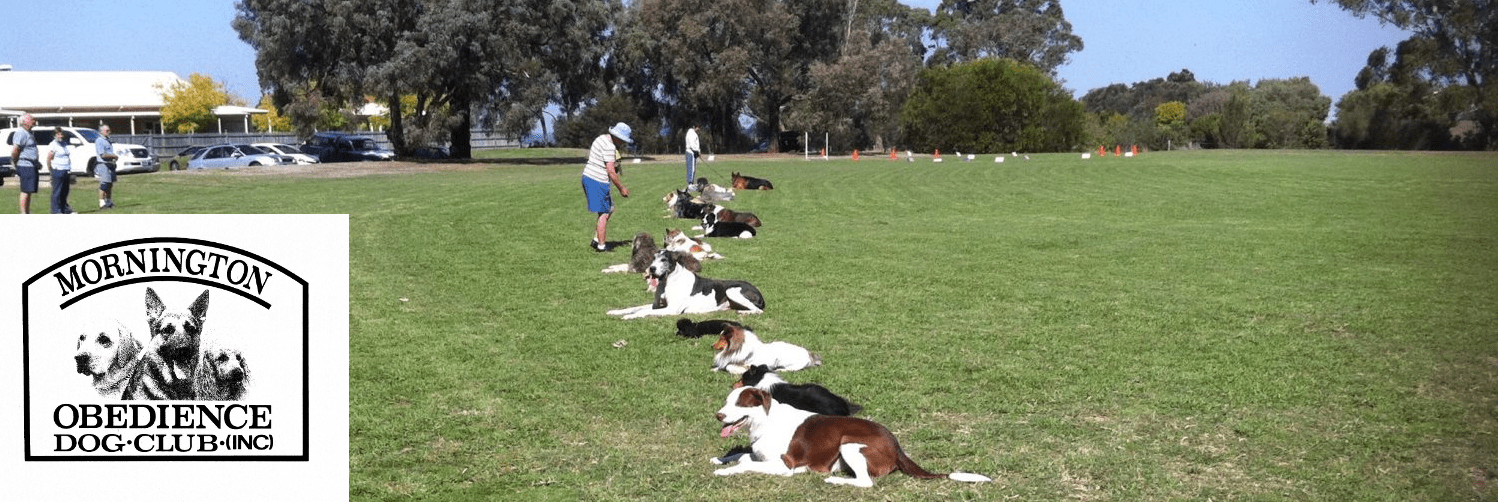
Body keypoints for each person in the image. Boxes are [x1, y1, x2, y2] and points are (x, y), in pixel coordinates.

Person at [581, 122, 633, 251]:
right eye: (622, 140)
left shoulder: (600, 138)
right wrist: (622, 188)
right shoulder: (610, 147)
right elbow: (610, 171)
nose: (622, 143)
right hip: (597, 180)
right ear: (617, 137)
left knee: (609, 208)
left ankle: (596, 239)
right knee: (604, 212)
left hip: (588, 177)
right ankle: (601, 246)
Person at [9, 114, 41, 214]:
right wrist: (15, 162)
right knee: (25, 191)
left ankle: (27, 212)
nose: (34, 120)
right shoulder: (20, 133)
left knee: (29, 191)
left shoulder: (29, 133)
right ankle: (24, 214)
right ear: (25, 121)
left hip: (32, 165)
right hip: (25, 165)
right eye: (31, 119)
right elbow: (15, 150)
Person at [46, 127, 74, 214]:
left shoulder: (64, 144)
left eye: (61, 134)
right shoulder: (53, 145)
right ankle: (55, 210)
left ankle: (64, 209)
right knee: (57, 192)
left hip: (66, 170)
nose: (60, 135)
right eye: (58, 134)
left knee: (65, 191)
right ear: (54, 135)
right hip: (58, 170)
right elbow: (49, 158)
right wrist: (51, 170)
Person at [94, 124, 119, 209]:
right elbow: (103, 155)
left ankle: (109, 201)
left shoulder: (108, 140)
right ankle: (102, 203)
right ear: (102, 131)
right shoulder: (99, 140)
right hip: (103, 164)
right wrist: (114, 156)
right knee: (104, 184)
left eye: (109, 130)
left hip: (110, 164)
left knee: (110, 184)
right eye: (107, 131)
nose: (109, 132)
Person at [684, 124, 701, 191]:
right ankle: (690, 184)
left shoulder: (695, 134)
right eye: (697, 127)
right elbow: (692, 144)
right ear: (694, 127)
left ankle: (691, 183)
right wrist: (697, 151)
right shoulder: (691, 133)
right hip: (691, 152)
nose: (698, 129)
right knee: (691, 168)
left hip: (694, 153)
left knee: (693, 168)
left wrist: (698, 151)